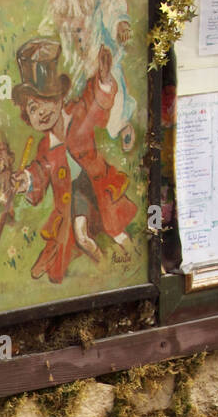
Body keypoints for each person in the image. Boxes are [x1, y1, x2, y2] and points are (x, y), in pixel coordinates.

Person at [11, 38, 138, 284]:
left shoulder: (78, 113)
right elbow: (39, 171)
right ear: (27, 116)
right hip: (76, 194)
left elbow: (96, 102)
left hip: (98, 184)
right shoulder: (45, 147)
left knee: (116, 229)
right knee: (81, 236)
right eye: (33, 108)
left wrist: (104, 80)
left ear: (60, 97)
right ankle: (104, 266)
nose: (42, 112)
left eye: (47, 100)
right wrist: (25, 180)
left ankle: (132, 254)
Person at [39, 0, 136, 152]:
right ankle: (77, 140)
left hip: (101, 53)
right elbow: (46, 32)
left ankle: (121, 126)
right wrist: (46, 44)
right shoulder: (58, 6)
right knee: (76, 100)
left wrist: (120, 22)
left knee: (114, 89)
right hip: (76, 64)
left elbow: (111, 3)